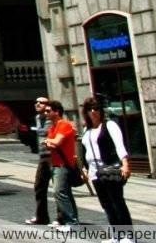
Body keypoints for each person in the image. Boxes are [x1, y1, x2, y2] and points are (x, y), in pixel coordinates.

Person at [81, 97, 132, 230]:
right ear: (86, 112)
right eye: (90, 109)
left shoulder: (109, 125)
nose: (93, 111)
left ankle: (128, 235)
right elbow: (85, 150)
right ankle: (117, 234)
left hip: (110, 169)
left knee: (117, 202)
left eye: (96, 108)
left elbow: (120, 146)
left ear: (101, 110)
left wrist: (125, 164)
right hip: (94, 172)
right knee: (106, 204)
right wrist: (85, 169)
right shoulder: (86, 129)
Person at [45, 100, 83, 227]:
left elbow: (56, 142)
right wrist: (49, 142)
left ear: (57, 112)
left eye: (48, 111)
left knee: (59, 192)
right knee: (65, 193)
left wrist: (48, 141)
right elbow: (50, 144)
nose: (46, 113)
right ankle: (70, 220)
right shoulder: (53, 127)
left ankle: (71, 222)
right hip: (55, 164)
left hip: (63, 165)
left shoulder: (64, 125)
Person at [26, 97, 54, 226]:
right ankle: (41, 217)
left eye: (41, 102)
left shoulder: (52, 118)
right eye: (36, 102)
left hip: (53, 156)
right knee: (39, 187)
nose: (37, 104)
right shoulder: (37, 118)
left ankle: (62, 218)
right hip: (43, 156)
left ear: (48, 106)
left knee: (59, 189)